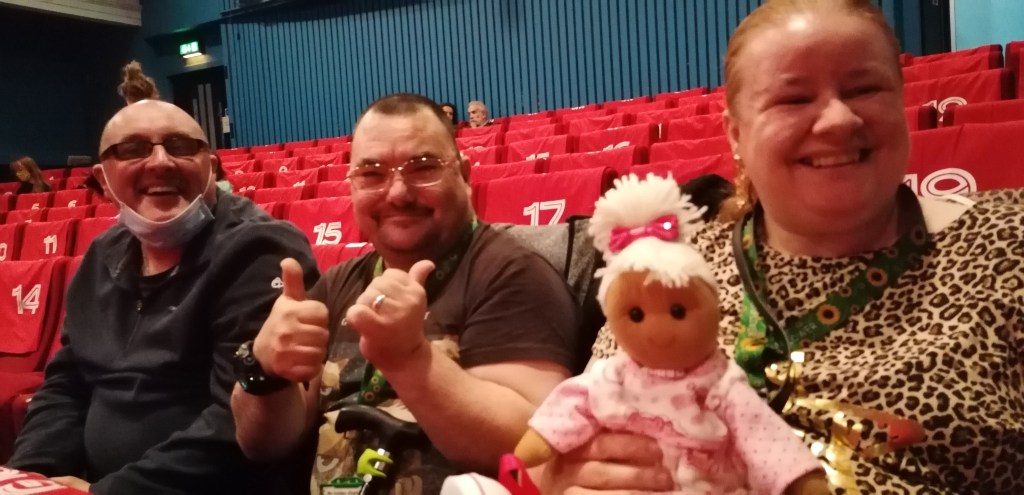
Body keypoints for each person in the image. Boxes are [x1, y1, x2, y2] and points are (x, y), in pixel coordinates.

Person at [542, 0, 1024, 493]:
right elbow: (576, 433)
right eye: (794, 99)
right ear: (735, 133)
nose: (838, 119)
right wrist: (566, 474)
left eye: (865, 89)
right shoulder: (670, 272)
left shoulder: (1008, 244)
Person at [230, 93, 580, 494]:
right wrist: (263, 371)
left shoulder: (512, 274)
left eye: (423, 167)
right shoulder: (336, 283)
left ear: (464, 176)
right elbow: (263, 444)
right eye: (372, 174)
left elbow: (528, 446)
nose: (397, 192)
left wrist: (410, 360)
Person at [8, 100, 319, 494]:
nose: (160, 161)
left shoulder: (258, 250)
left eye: (180, 146)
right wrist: (34, 477)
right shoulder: (101, 256)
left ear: (211, 164)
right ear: (103, 180)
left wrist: (105, 493)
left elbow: (238, 426)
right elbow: (68, 381)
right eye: (133, 149)